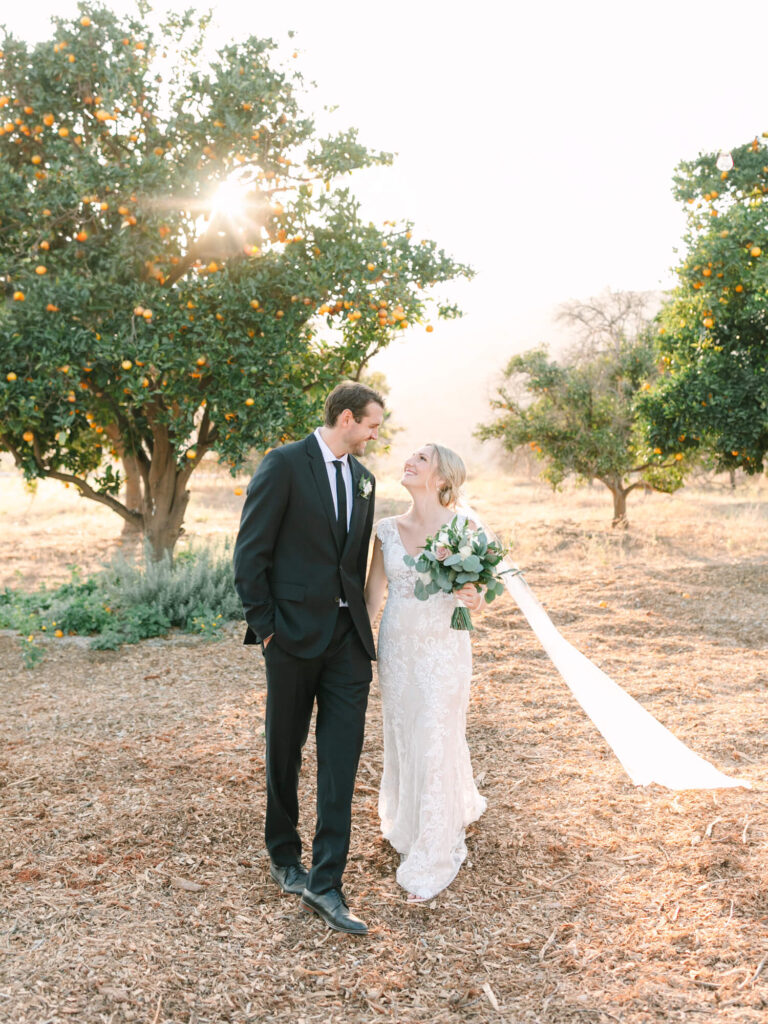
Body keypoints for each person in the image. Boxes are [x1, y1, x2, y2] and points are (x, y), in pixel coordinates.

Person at [233, 381, 385, 935]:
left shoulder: (366, 481)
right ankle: (283, 854)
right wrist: (267, 629)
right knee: (285, 748)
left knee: (341, 760)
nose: (375, 435)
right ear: (346, 418)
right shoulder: (284, 464)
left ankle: (326, 882)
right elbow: (250, 554)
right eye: (371, 425)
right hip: (291, 638)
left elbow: (355, 565)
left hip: (348, 643)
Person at [364, 443, 486, 902]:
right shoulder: (386, 530)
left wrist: (476, 599)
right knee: (405, 732)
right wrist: (354, 648)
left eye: (421, 459)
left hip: (444, 648)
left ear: (441, 478)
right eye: (410, 457)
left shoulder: (464, 527)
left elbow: (480, 592)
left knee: (436, 732)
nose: (409, 462)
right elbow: (373, 597)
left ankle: (433, 850)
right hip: (397, 647)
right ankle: (409, 820)